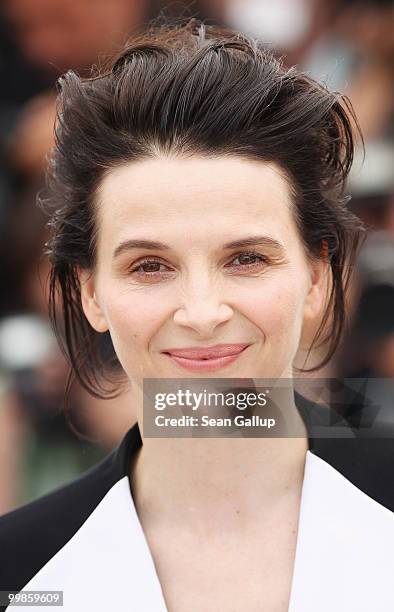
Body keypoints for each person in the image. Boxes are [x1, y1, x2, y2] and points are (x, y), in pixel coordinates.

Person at [1, 17, 394, 612]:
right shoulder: (19, 570)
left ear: (317, 276)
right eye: (149, 267)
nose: (203, 312)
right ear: (90, 293)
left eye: (246, 258)